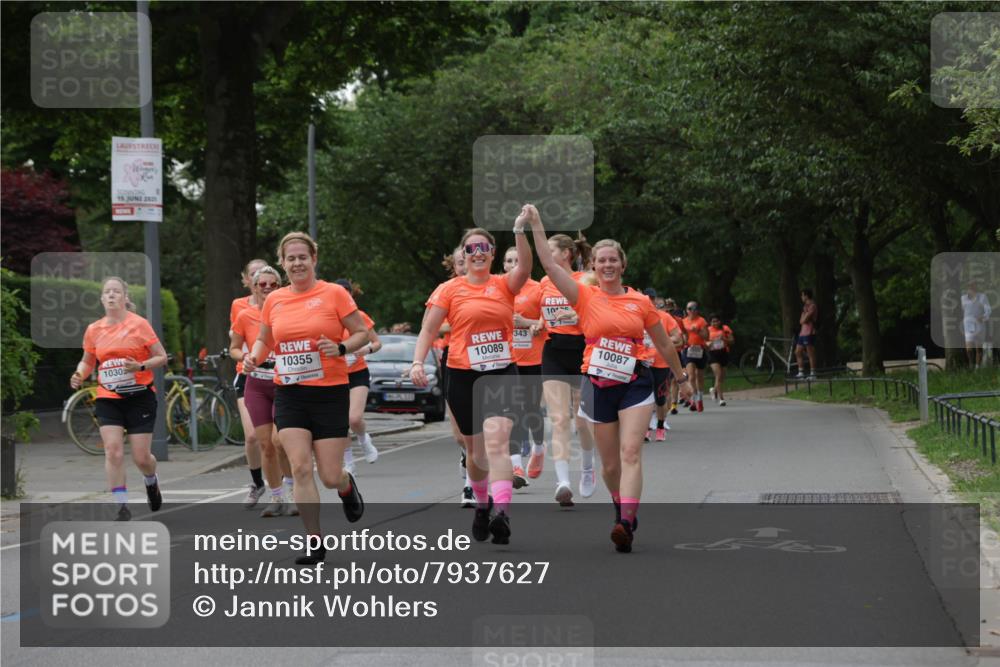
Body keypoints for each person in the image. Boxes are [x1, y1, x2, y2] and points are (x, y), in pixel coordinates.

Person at [526, 206, 693, 552]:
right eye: (601, 261)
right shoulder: (583, 295)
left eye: (613, 260)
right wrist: (537, 224)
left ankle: (626, 522)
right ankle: (620, 504)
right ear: (593, 266)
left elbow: (663, 343)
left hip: (635, 383)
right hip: (598, 384)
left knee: (631, 452)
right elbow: (550, 265)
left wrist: (682, 378)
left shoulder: (640, 302)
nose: (607, 265)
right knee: (611, 464)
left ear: (623, 264)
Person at [244, 231, 370, 565]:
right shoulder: (275, 300)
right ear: (283, 263)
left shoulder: (334, 294)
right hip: (290, 393)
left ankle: (346, 486)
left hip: (329, 393)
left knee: (329, 476)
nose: (297, 263)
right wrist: (254, 357)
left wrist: (340, 347)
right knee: (300, 467)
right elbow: (265, 340)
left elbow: (362, 334)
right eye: (291, 258)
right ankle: (314, 541)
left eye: (303, 257)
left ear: (313, 259)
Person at [411, 216, 532, 544]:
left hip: (501, 372)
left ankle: (502, 514)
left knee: (498, 444)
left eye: (483, 247)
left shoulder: (504, 285)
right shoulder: (449, 290)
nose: (477, 253)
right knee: (476, 453)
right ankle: (482, 505)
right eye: (470, 248)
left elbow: (525, 266)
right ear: (463, 255)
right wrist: (417, 362)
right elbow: (428, 329)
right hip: (463, 375)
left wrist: (520, 230)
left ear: (492, 253)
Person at [70, 277, 168, 521]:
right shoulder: (94, 329)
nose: (111, 295)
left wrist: (140, 366)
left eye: (116, 291)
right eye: (107, 292)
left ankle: (151, 480)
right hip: (108, 397)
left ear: (125, 297)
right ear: (102, 299)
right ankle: (121, 505)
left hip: (139, 397)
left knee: (141, 458)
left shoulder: (139, 324)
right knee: (113, 451)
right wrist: (79, 374)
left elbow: (161, 356)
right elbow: (88, 360)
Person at [534, 231, 598, 505]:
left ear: (566, 253)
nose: (545, 255)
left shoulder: (586, 279)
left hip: (583, 350)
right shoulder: (544, 282)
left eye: (550, 250)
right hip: (554, 351)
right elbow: (542, 314)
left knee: (582, 420)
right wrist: (537, 324)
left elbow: (598, 310)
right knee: (559, 418)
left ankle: (587, 467)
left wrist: (574, 314)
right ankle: (562, 482)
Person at [230, 265, 298, 517]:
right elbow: (234, 348)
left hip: (283, 382)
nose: (268, 288)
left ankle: (292, 493)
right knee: (265, 444)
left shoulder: (289, 311)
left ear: (280, 287)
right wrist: (245, 357)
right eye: (262, 284)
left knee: (280, 442)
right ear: (254, 287)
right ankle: (276, 496)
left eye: (273, 284)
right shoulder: (244, 315)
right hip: (256, 384)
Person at [427, 245, 476, 506]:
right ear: (454, 267)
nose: (465, 266)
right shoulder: (447, 291)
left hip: (487, 360)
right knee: (460, 433)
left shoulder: (492, 287)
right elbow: (432, 326)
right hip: (454, 359)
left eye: (467, 260)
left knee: (485, 431)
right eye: (459, 263)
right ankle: (466, 455)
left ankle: (471, 486)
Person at [503, 246, 547, 489]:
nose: (513, 264)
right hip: (508, 360)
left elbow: (549, 322)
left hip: (533, 358)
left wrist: (527, 322)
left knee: (531, 410)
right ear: (503, 265)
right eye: (509, 261)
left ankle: (539, 448)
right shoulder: (499, 288)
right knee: (514, 411)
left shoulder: (538, 289)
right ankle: (516, 465)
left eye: (517, 260)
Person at [230, 258, 269, 508]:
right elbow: (236, 339)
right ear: (247, 280)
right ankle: (257, 483)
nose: (259, 278)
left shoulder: (281, 302)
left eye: (263, 273)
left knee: (275, 439)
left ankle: (283, 485)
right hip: (248, 374)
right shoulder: (239, 306)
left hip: (276, 375)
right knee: (253, 435)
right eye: (253, 274)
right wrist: (245, 356)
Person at [335, 279, 382, 473]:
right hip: (335, 375)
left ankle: (364, 439)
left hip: (357, 373)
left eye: (346, 292)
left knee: (353, 418)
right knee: (340, 423)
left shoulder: (359, 316)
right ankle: (349, 462)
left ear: (351, 295)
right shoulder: (327, 317)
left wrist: (366, 350)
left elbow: (377, 343)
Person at [642, 289, 683, 441]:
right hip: (643, 363)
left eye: (652, 298)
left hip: (661, 364)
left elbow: (678, 338)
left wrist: (662, 338)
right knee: (644, 398)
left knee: (660, 398)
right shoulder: (637, 316)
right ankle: (646, 429)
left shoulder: (664, 317)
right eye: (646, 298)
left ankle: (660, 427)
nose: (649, 300)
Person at [682, 302, 710, 412]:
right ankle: (693, 399)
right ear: (686, 310)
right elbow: (681, 335)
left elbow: (706, 336)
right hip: (688, 349)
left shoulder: (701, 321)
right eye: (689, 309)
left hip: (700, 350)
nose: (692, 311)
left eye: (694, 308)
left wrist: (697, 331)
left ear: (697, 310)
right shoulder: (683, 321)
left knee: (700, 376)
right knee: (691, 376)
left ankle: (700, 399)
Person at [962, 280, 992, 368]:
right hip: (968, 326)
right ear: (967, 287)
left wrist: (983, 317)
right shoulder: (963, 298)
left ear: (976, 286)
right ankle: (971, 365)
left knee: (979, 348)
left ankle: (977, 368)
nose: (971, 287)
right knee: (969, 347)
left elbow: (988, 310)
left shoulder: (982, 297)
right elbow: (959, 311)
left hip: (979, 325)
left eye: (973, 285)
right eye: (969, 285)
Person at [707, 314, 735, 406]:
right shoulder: (708, 330)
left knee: (721, 377)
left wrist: (724, 339)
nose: (715, 323)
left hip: (723, 352)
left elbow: (732, 341)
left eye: (716, 321)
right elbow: (703, 341)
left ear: (720, 321)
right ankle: (721, 399)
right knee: (718, 374)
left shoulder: (725, 328)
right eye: (713, 322)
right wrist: (708, 344)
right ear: (710, 323)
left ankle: (714, 390)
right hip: (713, 354)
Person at [794, 289, 818, 380]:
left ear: (806, 296)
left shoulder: (812, 306)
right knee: (798, 352)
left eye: (802, 295)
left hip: (809, 332)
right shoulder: (805, 307)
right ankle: (801, 373)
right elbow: (801, 321)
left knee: (810, 353)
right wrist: (804, 318)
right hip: (802, 332)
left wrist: (804, 318)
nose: (801, 297)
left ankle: (813, 374)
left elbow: (805, 319)